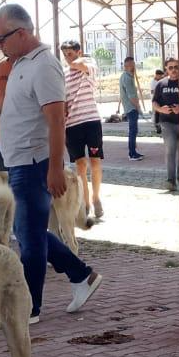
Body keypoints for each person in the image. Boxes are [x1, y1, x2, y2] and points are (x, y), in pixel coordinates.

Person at [0, 4, 102, 323]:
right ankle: (81, 274)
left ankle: (30, 307)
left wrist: (54, 168)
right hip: (20, 162)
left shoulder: (43, 66)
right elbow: (22, 111)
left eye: (1, 38)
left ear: (22, 32)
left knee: (29, 238)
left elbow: (56, 120)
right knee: (28, 231)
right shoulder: (20, 64)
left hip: (34, 163)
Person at [61, 40, 105, 221]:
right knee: (80, 165)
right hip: (72, 125)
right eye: (64, 54)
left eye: (70, 53)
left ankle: (96, 198)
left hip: (91, 121)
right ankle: (85, 203)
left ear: (79, 52)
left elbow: (80, 64)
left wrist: (74, 61)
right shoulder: (63, 75)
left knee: (95, 161)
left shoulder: (88, 64)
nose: (67, 58)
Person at [153, 59, 179, 194]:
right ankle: (171, 180)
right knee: (170, 150)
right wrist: (161, 109)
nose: (174, 70)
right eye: (171, 67)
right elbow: (154, 103)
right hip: (167, 123)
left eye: (176, 67)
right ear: (166, 69)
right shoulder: (161, 84)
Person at [118, 56, 146, 160]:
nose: (134, 66)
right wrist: (138, 107)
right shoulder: (127, 78)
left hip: (129, 107)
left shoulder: (126, 76)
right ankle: (132, 154)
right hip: (131, 108)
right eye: (133, 64)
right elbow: (131, 96)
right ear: (128, 65)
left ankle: (133, 152)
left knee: (133, 130)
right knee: (133, 131)